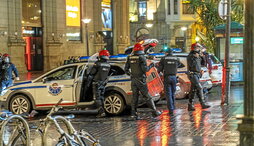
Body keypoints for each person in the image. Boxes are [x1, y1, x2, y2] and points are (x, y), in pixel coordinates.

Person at [125, 41, 161, 120]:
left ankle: (133, 114)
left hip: (133, 80)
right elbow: (145, 69)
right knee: (147, 96)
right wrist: (151, 65)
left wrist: (131, 75)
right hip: (141, 79)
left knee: (135, 97)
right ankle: (154, 111)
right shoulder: (142, 57)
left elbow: (126, 70)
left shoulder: (130, 57)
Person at [85, 49, 111, 118]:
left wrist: (87, 84)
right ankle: (103, 111)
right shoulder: (108, 65)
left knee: (97, 98)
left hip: (96, 83)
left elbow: (91, 74)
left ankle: (101, 112)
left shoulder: (97, 63)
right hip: (103, 83)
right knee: (101, 97)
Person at [157, 48, 184, 113]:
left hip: (167, 77)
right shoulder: (176, 58)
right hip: (174, 77)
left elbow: (159, 69)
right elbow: (181, 65)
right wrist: (174, 66)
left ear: (166, 53)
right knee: (173, 93)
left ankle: (171, 109)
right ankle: (173, 106)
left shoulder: (164, 59)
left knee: (168, 93)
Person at [187, 43, 210, 111]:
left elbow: (203, 63)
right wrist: (196, 57)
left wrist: (202, 56)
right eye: (198, 47)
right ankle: (202, 103)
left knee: (193, 90)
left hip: (197, 74)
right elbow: (191, 65)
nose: (199, 49)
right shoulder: (191, 56)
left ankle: (190, 105)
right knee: (199, 87)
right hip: (192, 74)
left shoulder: (198, 55)